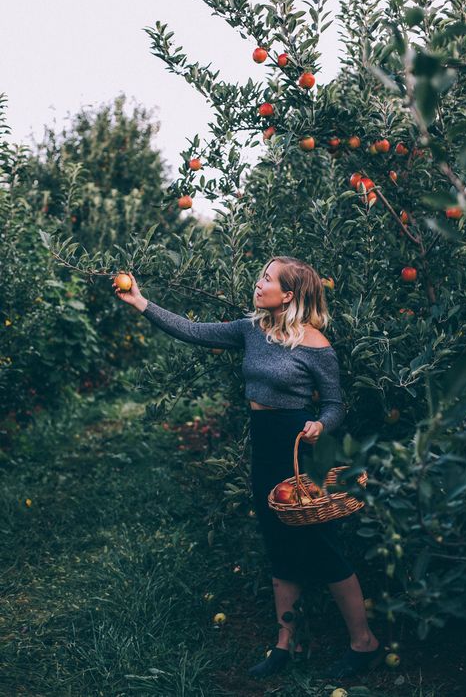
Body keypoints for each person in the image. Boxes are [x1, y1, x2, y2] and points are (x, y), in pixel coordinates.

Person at [112, 256, 383, 680]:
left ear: (288, 295)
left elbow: (335, 404)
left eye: (268, 279)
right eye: (261, 276)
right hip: (266, 448)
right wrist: (142, 303)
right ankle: (283, 645)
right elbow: (194, 331)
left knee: (322, 546)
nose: (259, 284)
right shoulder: (250, 330)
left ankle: (364, 643)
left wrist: (321, 424)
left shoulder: (316, 345)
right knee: (278, 544)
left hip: (303, 450)